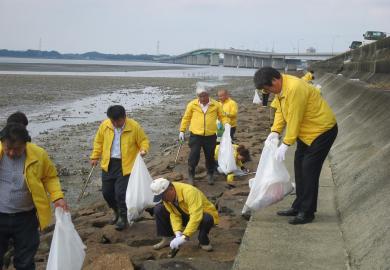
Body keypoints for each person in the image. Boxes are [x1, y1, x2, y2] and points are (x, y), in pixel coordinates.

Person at [254, 67, 337, 225]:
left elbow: (294, 118)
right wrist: (275, 131)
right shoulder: (280, 90)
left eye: (268, 88)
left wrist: (286, 143)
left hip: (322, 131)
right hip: (306, 133)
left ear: (275, 80)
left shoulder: (295, 88)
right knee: (299, 168)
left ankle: (307, 212)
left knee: (309, 171)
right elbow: (280, 112)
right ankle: (298, 206)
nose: (269, 92)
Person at [0, 123, 68, 269]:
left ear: (26, 144)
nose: (11, 153)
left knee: (25, 260)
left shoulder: (38, 154)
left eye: (16, 149)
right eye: (7, 149)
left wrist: (57, 197)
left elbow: (50, 177)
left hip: (26, 217)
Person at [90, 105, 149, 230]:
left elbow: (143, 141)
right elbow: (98, 141)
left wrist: (143, 150)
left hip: (126, 165)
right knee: (107, 193)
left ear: (124, 117)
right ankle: (116, 211)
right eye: (113, 121)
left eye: (118, 121)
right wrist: (95, 156)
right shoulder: (105, 125)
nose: (115, 123)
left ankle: (123, 217)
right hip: (108, 164)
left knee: (120, 193)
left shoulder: (134, 126)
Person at [150, 178, 218, 251]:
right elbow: (174, 214)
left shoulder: (190, 192)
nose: (163, 200)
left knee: (207, 218)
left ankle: (203, 239)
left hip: (201, 216)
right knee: (159, 209)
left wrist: (185, 236)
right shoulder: (167, 198)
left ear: (171, 189)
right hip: (185, 214)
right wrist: (177, 232)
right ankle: (168, 238)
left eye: (163, 196)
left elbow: (195, 216)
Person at [179, 87, 228, 185]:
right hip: (195, 135)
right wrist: (182, 131)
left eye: (204, 96)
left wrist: (226, 123)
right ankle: (191, 176)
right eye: (200, 96)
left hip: (210, 135)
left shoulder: (216, 104)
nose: (202, 98)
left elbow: (222, 116)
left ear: (208, 95)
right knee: (194, 155)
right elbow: (186, 118)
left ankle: (210, 174)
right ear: (197, 96)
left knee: (210, 156)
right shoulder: (192, 104)